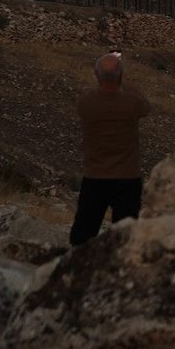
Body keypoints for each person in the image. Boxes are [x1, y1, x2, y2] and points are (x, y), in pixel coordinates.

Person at [69, 51, 151, 246]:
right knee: (124, 238)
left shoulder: (86, 103)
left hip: (95, 177)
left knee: (83, 235)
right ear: (120, 75)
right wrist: (124, 79)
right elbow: (145, 106)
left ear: (96, 75)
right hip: (127, 178)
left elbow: (84, 104)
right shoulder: (132, 103)